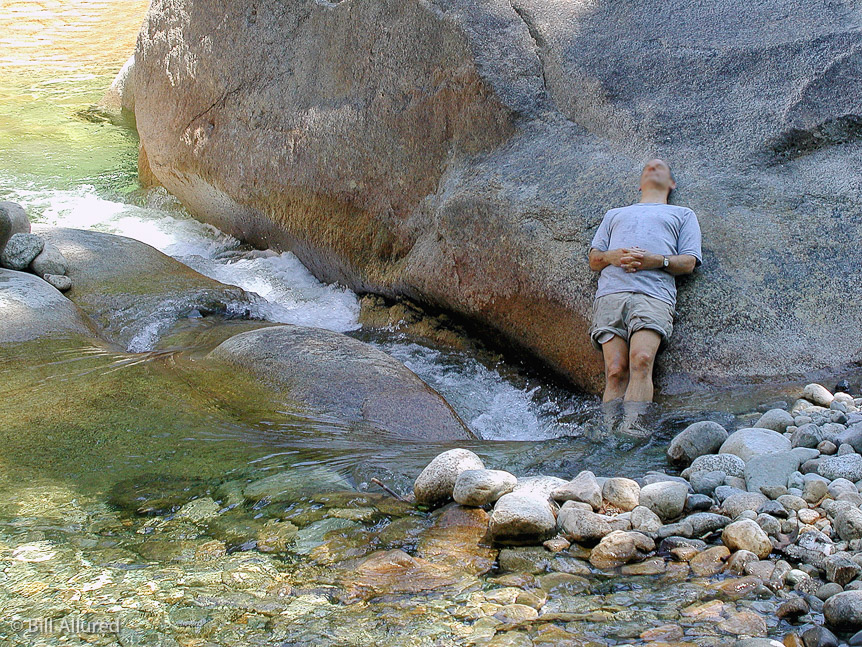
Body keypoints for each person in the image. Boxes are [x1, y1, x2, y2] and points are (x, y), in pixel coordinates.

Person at [587, 159, 702, 432]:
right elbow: (594, 259)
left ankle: (632, 433)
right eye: (649, 167)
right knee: (615, 369)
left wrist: (657, 261)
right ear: (639, 184)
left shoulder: (683, 214)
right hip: (612, 293)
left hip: (654, 294)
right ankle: (608, 433)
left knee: (641, 359)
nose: (654, 167)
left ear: (671, 184)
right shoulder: (614, 213)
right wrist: (611, 256)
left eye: (661, 167)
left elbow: (689, 262)